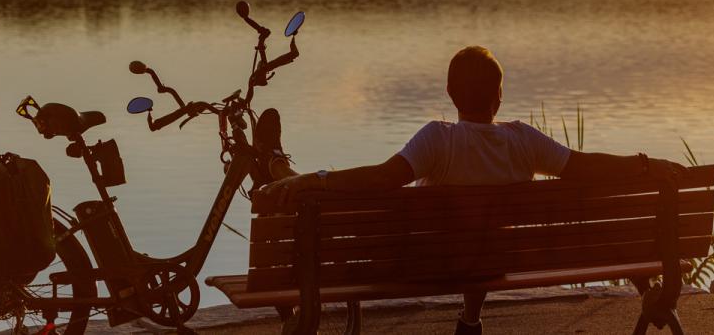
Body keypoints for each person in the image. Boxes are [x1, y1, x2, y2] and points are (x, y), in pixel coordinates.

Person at [255, 45, 686, 335]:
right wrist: (644, 164)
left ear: (449, 93)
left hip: (420, 265)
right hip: (492, 263)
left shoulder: (437, 139)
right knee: (480, 231)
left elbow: (381, 179)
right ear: (499, 97)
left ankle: (282, 170)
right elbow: (582, 167)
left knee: (323, 203)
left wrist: (318, 179)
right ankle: (470, 318)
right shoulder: (523, 141)